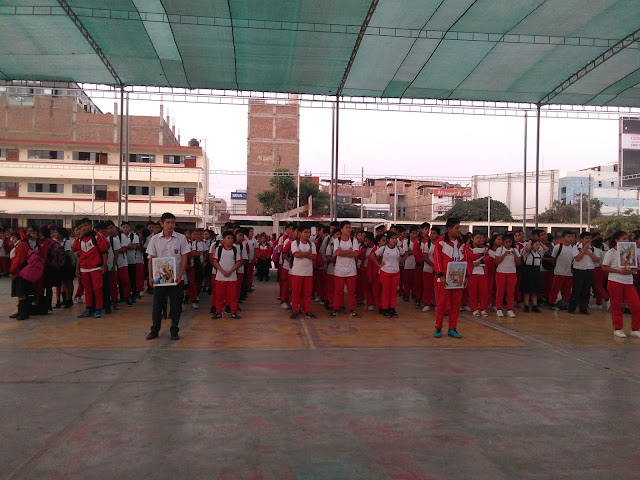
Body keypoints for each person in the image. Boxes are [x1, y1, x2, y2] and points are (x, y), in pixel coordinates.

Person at [146, 212, 191, 340]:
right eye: (167, 222)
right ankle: (154, 330)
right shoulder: (155, 239)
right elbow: (151, 258)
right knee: (157, 305)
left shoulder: (181, 238)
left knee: (176, 305)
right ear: (162, 224)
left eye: (172, 222)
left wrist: (181, 274)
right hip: (159, 278)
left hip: (176, 278)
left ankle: (174, 330)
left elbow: (184, 257)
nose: (170, 225)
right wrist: (150, 276)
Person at [602, 230, 640, 338]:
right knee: (616, 305)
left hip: (628, 282)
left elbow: (636, 267)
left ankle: (635, 328)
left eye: (627, 238)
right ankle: (618, 328)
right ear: (616, 240)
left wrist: (630, 271)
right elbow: (604, 267)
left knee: (637, 306)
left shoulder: (631, 251)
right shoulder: (611, 252)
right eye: (624, 239)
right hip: (615, 281)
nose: (626, 240)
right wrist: (619, 271)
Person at [433, 218, 466, 338]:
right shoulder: (441, 242)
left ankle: (452, 328)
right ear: (449, 229)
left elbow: (465, 259)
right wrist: (441, 275)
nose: (458, 230)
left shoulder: (461, 243)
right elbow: (437, 259)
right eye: (456, 228)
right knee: (441, 304)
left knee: (455, 305)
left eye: (459, 227)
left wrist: (466, 275)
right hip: (444, 279)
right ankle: (438, 327)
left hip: (457, 278)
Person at [72, 220, 108, 319]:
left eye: (85, 225)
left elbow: (105, 251)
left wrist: (104, 266)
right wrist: (77, 268)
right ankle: (88, 308)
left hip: (96, 267)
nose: (83, 228)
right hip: (84, 268)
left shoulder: (97, 236)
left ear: (90, 225)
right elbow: (76, 251)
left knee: (97, 288)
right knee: (87, 289)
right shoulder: (80, 239)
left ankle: (98, 308)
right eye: (81, 227)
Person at [210, 230, 243, 320]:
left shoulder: (235, 249)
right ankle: (218, 312)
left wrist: (231, 271)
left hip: (232, 277)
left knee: (232, 296)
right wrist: (222, 271)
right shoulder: (219, 249)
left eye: (232, 238)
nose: (230, 240)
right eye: (228, 238)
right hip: (220, 277)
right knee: (219, 296)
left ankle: (233, 312)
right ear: (223, 239)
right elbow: (215, 261)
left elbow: (238, 262)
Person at [330, 221, 360, 317]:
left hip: (351, 270)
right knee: (338, 291)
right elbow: (337, 253)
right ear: (341, 229)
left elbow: (356, 253)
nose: (349, 229)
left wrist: (343, 252)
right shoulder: (336, 240)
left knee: (351, 291)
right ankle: (336, 308)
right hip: (339, 270)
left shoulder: (354, 240)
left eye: (349, 227)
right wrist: (349, 251)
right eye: (346, 227)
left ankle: (352, 309)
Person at [289, 225, 317, 319]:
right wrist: (308, 253)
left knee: (307, 293)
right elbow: (296, 255)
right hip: (297, 272)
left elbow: (314, 257)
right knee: (296, 293)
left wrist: (303, 254)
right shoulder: (295, 243)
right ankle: (295, 310)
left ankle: (307, 310)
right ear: (300, 233)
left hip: (308, 273)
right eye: (305, 232)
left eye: (309, 232)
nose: (308, 234)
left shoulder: (311, 244)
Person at [376, 231, 405, 317]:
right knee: (386, 291)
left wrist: (401, 261)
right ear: (388, 240)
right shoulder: (383, 248)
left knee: (393, 291)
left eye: (395, 238)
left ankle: (392, 308)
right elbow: (373, 256)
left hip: (396, 272)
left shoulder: (398, 248)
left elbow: (405, 253)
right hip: (385, 272)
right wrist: (379, 264)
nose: (394, 240)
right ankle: (385, 308)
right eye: (392, 238)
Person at [569, 231, 599, 314]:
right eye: (586, 238)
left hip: (589, 271)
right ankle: (572, 308)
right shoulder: (576, 247)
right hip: (579, 271)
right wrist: (584, 250)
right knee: (576, 290)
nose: (588, 240)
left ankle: (583, 308)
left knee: (586, 290)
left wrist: (589, 253)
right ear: (581, 239)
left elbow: (597, 260)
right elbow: (577, 258)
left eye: (590, 238)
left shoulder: (593, 248)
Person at [9, 229, 36, 321]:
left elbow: (18, 260)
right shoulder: (21, 244)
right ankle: (21, 311)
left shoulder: (21, 245)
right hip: (19, 271)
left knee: (21, 293)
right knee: (20, 293)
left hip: (20, 272)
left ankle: (23, 313)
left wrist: (12, 271)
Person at [494, 233, 520, 318]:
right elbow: (497, 261)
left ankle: (510, 309)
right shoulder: (500, 249)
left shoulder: (515, 250)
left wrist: (515, 254)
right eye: (506, 242)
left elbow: (518, 263)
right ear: (503, 242)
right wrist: (504, 254)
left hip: (512, 273)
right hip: (501, 273)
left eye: (510, 242)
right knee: (500, 291)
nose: (508, 244)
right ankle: (499, 309)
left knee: (510, 292)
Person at [548, 231, 575, 310]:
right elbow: (553, 258)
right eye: (568, 237)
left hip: (569, 273)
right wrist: (556, 268)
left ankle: (565, 303)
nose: (571, 238)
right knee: (555, 289)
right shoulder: (558, 247)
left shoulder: (573, 248)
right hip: (559, 272)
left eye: (572, 237)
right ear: (563, 238)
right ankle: (552, 302)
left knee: (567, 290)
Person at [466, 232, 489, 317]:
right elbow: (470, 257)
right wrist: (482, 254)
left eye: (480, 238)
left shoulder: (484, 248)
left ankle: (483, 308)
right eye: (477, 238)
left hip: (482, 272)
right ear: (472, 239)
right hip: (472, 273)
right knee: (473, 292)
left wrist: (480, 261)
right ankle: (475, 308)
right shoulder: (468, 249)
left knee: (484, 292)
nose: (479, 240)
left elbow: (488, 258)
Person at [520, 238, 544, 313]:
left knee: (534, 291)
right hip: (528, 272)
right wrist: (530, 241)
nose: (538, 246)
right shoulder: (526, 252)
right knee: (527, 291)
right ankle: (526, 306)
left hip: (536, 272)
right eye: (536, 245)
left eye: (538, 245)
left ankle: (534, 306)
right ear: (531, 245)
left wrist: (540, 243)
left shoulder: (538, 253)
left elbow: (546, 249)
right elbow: (527, 248)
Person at [120, 222, 140, 303]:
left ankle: (133, 295)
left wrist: (126, 247)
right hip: (122, 261)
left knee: (132, 279)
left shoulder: (134, 236)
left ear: (130, 228)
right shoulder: (120, 236)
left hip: (132, 260)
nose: (125, 229)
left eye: (127, 227)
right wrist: (128, 246)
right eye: (124, 227)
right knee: (123, 280)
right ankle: (123, 296)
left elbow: (134, 246)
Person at [246, 227, 258, 292]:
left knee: (250, 273)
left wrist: (254, 258)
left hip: (251, 259)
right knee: (246, 273)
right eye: (250, 231)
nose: (252, 233)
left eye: (252, 231)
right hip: (245, 260)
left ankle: (249, 285)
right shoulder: (245, 240)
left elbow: (256, 250)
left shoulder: (254, 241)